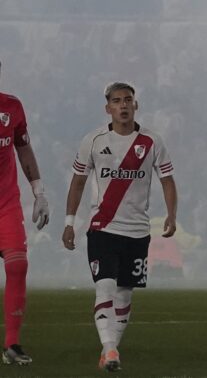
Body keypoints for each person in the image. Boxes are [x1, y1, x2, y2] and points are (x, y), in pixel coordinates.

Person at [62, 82, 177, 372]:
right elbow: (77, 182)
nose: (123, 105)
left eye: (128, 100)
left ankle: (110, 349)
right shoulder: (94, 140)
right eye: (117, 101)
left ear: (135, 105)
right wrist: (70, 222)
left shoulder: (152, 141)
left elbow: (167, 180)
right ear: (108, 108)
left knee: (125, 293)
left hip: (138, 231)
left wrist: (171, 215)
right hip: (103, 228)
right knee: (106, 287)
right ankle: (110, 349)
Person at [0, 60, 50, 365]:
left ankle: (12, 345)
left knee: (18, 267)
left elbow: (23, 147)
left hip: (6, 204)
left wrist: (39, 191)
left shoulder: (12, 107)